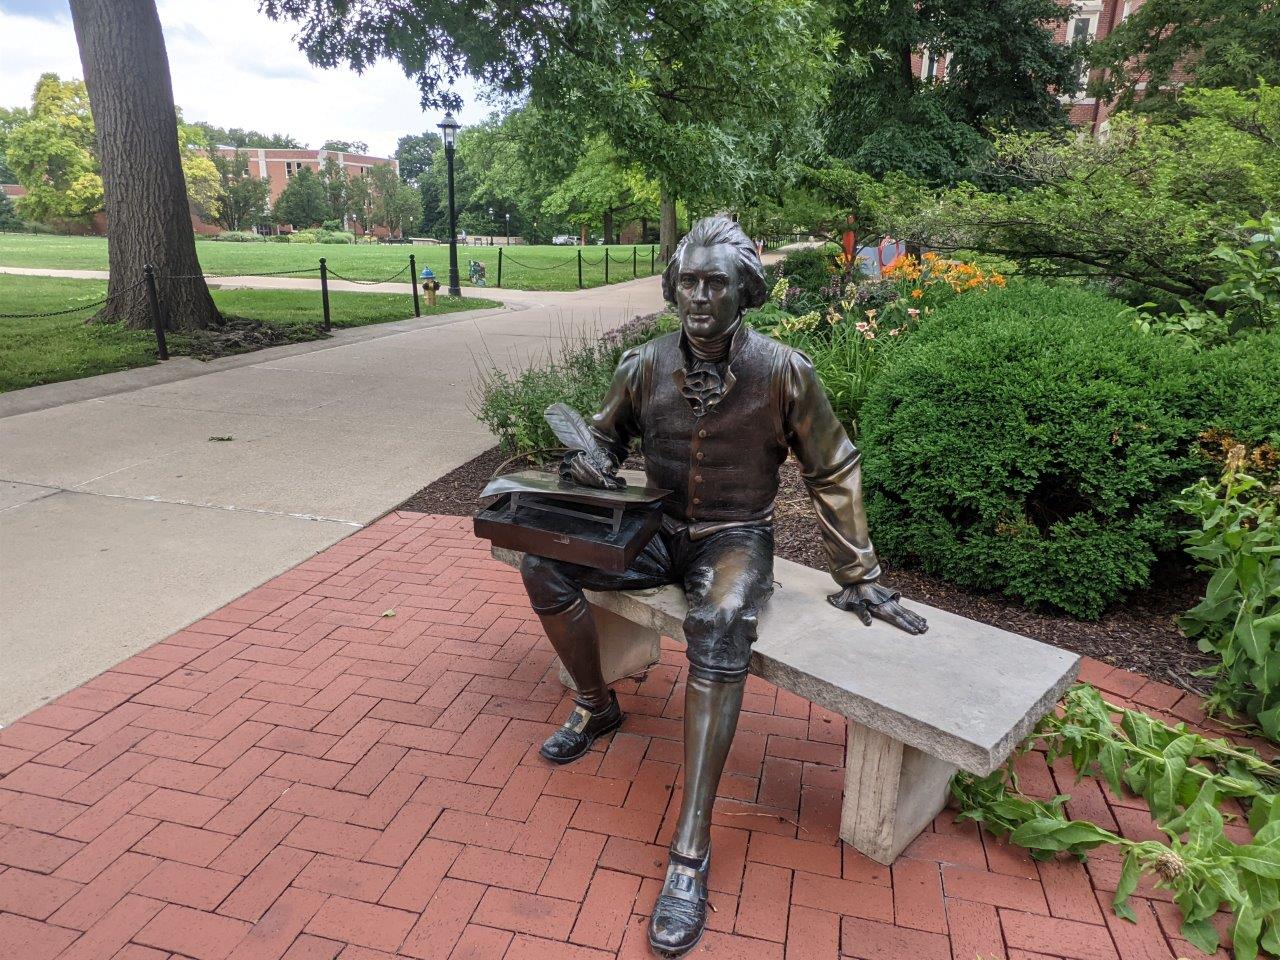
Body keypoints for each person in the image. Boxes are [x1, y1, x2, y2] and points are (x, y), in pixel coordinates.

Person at [519, 216, 927, 957]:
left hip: (735, 538)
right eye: (688, 282)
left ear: (745, 290)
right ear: (673, 288)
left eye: (716, 283)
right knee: (542, 561)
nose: (699, 296)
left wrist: (859, 574)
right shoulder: (641, 363)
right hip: (652, 526)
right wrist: (585, 463)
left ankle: (690, 848)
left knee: (720, 624)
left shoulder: (786, 371)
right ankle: (596, 705)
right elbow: (603, 442)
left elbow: (832, 468)